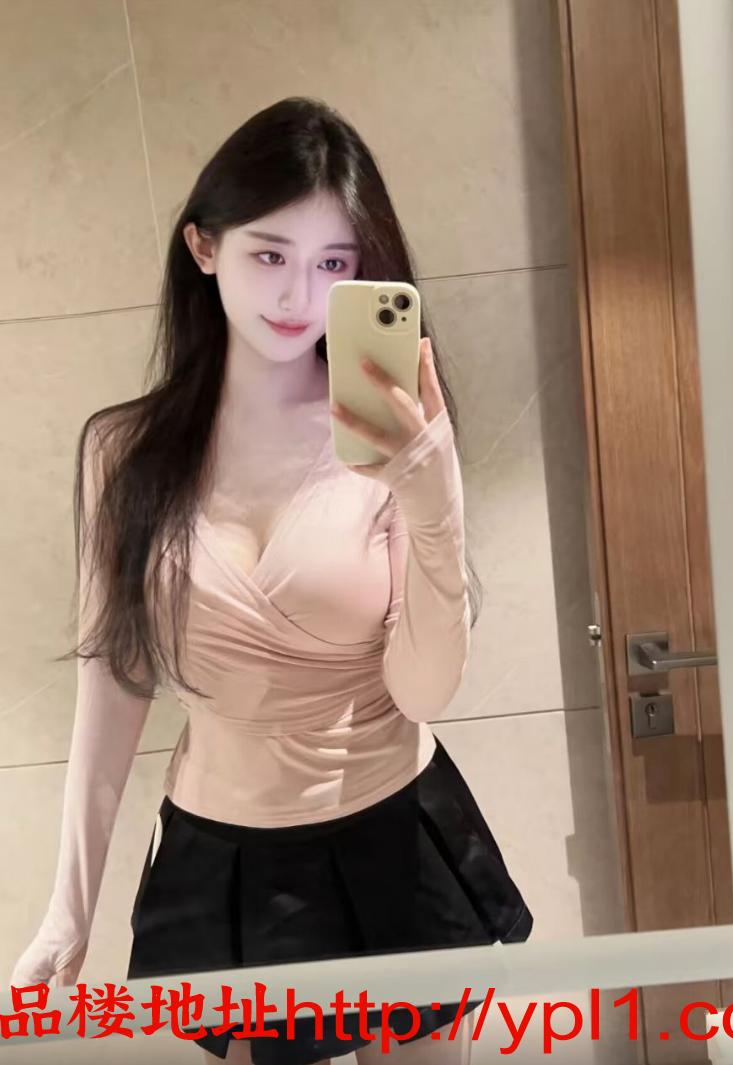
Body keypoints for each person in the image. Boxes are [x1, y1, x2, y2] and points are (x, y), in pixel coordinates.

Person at [10, 97, 532, 1064]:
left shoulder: (396, 439)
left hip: (392, 828)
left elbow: (423, 690)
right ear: (204, 247)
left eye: (333, 263)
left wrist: (434, 501)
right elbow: (115, 680)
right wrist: (66, 910)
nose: (299, 293)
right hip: (226, 853)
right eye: (270, 253)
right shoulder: (123, 453)